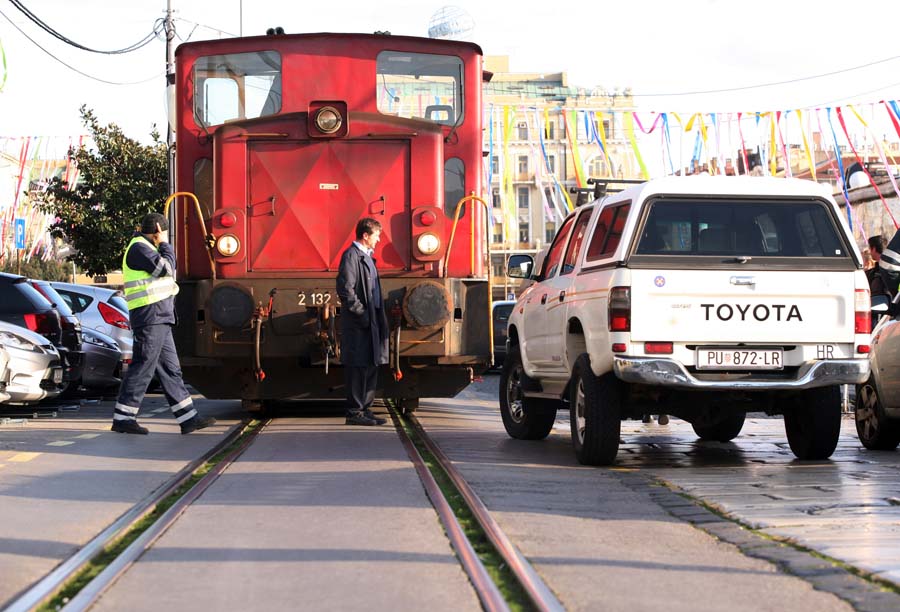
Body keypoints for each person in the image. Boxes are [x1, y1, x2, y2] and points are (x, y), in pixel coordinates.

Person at [112, 212, 216, 435]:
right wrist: (165, 245)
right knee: (143, 365)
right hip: (150, 316)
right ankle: (123, 417)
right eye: (163, 233)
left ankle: (188, 418)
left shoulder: (145, 248)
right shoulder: (140, 248)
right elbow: (166, 270)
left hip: (159, 316)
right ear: (158, 231)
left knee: (171, 369)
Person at [336, 217, 390, 426]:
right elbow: (345, 290)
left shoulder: (366, 257)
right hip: (361, 321)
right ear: (365, 235)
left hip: (372, 319)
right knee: (358, 365)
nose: (378, 240)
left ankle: (365, 408)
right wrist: (362, 313)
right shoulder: (351, 256)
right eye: (376, 235)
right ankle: (354, 411)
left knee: (370, 362)